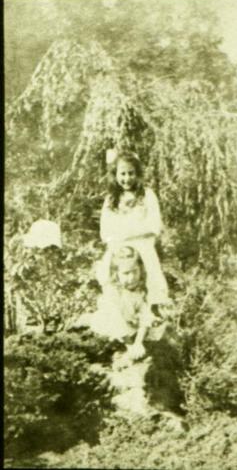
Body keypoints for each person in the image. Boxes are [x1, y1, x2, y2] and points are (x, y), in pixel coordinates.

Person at [97, 150, 169, 310]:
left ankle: (150, 320)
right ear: (115, 175)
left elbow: (153, 225)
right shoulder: (111, 199)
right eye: (122, 174)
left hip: (143, 248)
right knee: (115, 281)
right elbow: (105, 230)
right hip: (119, 249)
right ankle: (122, 322)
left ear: (137, 174)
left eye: (131, 173)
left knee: (150, 282)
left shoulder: (147, 195)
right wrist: (117, 243)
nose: (127, 178)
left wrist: (130, 233)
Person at [73, 246, 155, 361]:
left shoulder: (139, 292)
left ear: (140, 269)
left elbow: (145, 317)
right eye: (126, 273)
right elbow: (115, 319)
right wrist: (131, 345)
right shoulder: (112, 290)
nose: (132, 278)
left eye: (135, 271)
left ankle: (126, 348)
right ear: (116, 274)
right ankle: (85, 320)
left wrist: (138, 343)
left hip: (128, 325)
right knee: (108, 314)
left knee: (151, 321)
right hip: (108, 323)